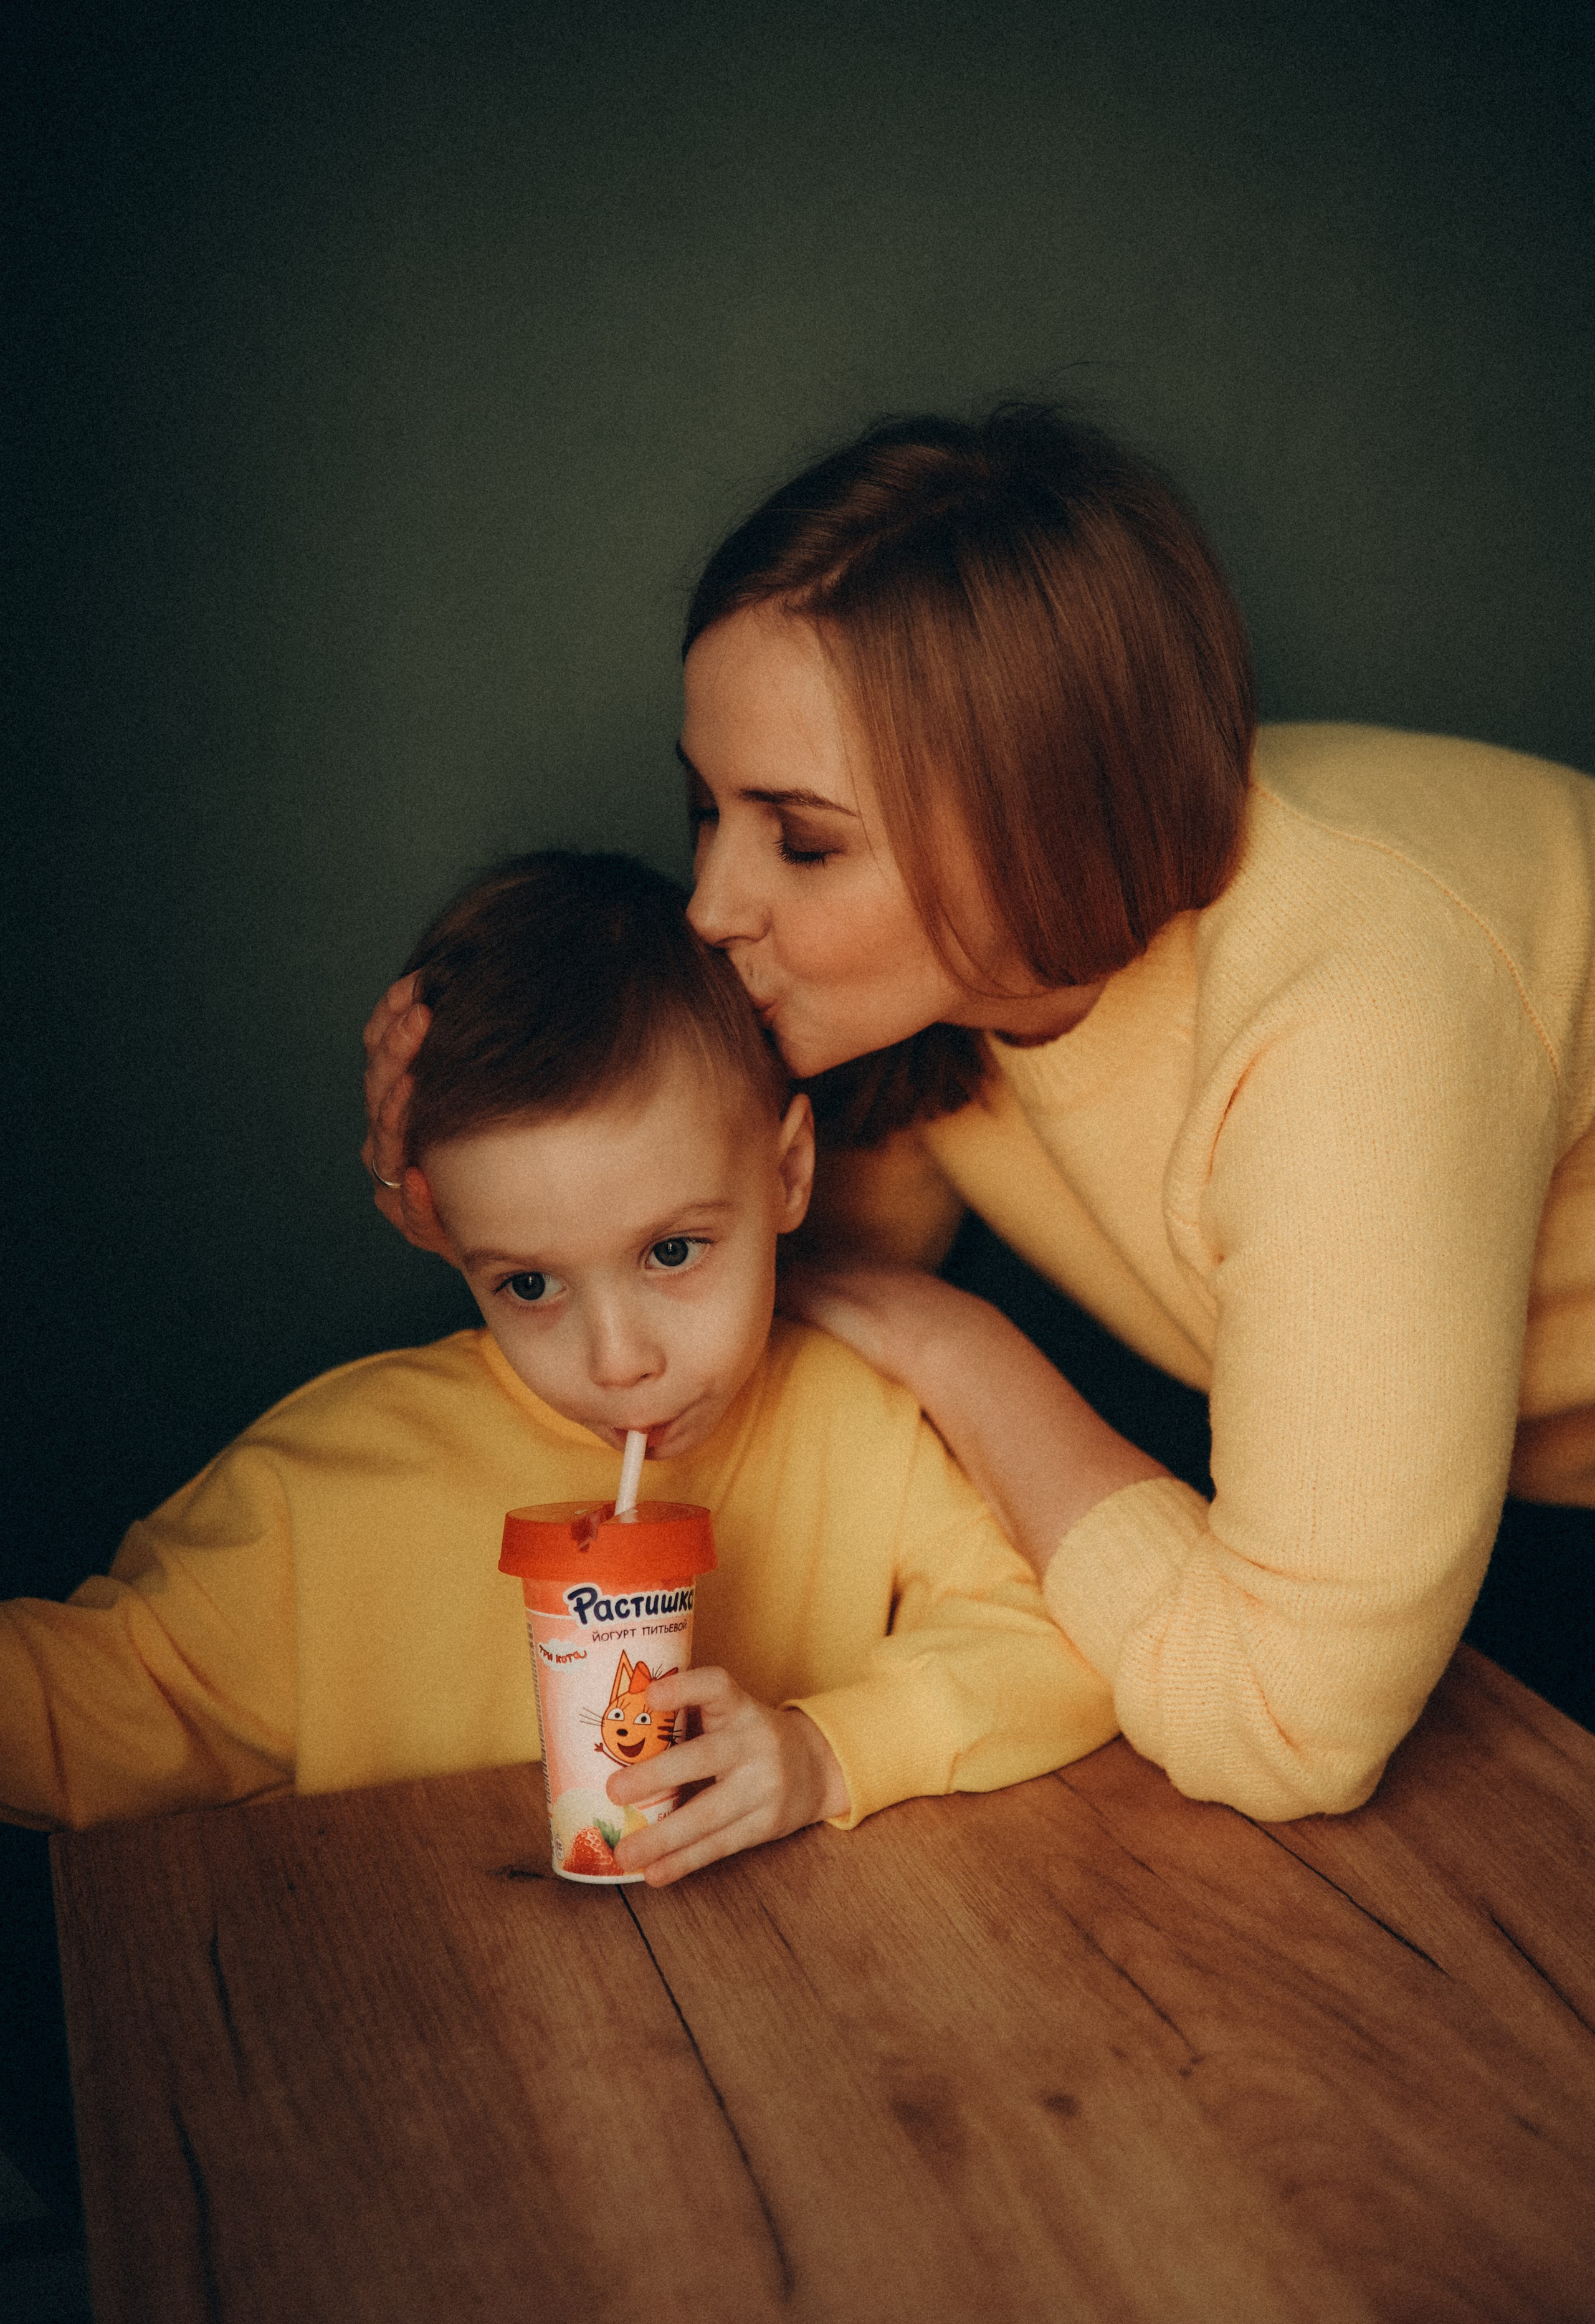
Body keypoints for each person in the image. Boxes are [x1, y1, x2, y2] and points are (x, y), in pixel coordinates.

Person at [365, 407, 1595, 1822]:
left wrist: (933, 1331)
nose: (708, 906)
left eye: (804, 840)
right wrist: (466, 1187)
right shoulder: (887, 987)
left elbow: (1284, 1730)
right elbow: (723, 1291)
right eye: (707, 808)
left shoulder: (1354, 1026)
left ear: (1035, 823)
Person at [0, 851, 1115, 1875]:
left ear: (788, 1176)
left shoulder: (860, 1428)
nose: (619, 1360)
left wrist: (826, 1753)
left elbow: (1067, 1644)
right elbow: (66, 1720)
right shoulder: (318, 1496)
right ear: (437, 1229)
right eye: (529, 1284)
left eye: (673, 1251)